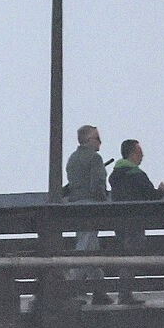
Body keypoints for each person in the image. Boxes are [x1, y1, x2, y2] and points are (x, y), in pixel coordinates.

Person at [107, 138, 164, 305]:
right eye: (140, 153)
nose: (142, 157)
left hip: (119, 223)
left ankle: (123, 293)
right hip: (135, 222)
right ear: (133, 153)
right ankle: (125, 294)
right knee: (132, 256)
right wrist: (161, 191)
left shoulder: (115, 175)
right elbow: (151, 195)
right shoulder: (137, 174)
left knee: (125, 256)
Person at [63, 124, 110, 303]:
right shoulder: (95, 158)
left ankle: (100, 291)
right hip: (90, 207)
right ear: (89, 140)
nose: (100, 142)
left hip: (75, 206)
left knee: (91, 246)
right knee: (85, 245)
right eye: (98, 138)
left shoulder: (72, 159)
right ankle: (71, 287)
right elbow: (97, 185)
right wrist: (103, 201)